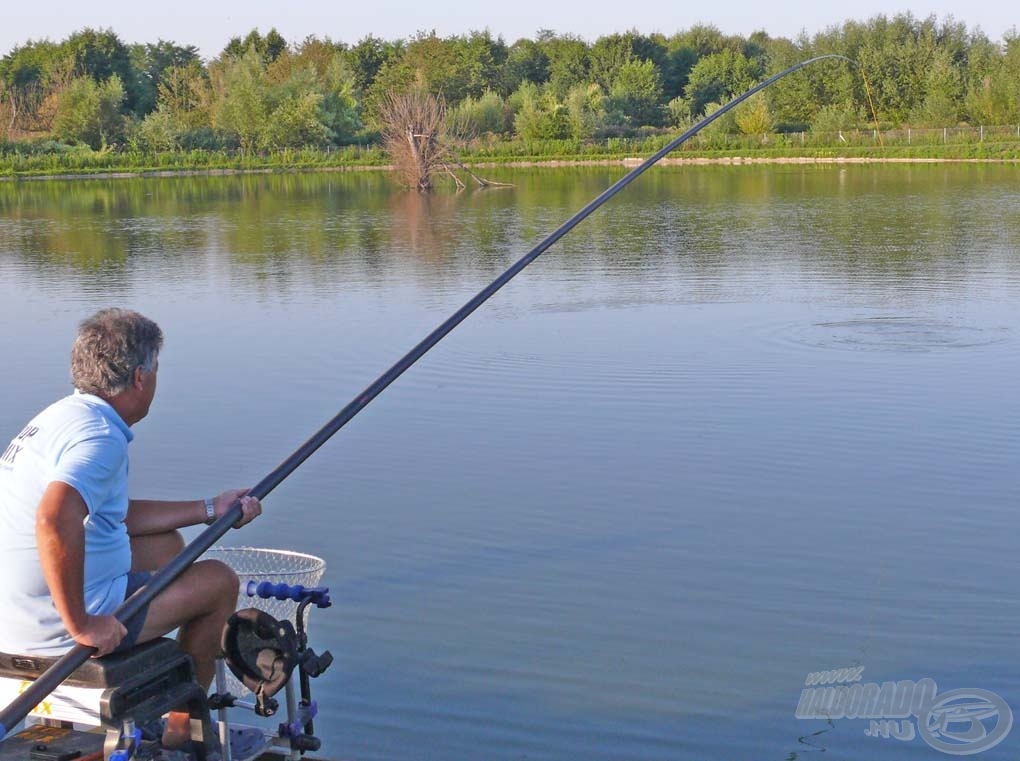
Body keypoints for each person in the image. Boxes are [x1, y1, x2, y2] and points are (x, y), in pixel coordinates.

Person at [0, 308, 262, 701]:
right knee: (218, 581)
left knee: (165, 546)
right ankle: (184, 723)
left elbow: (109, 512)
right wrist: (83, 624)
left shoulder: (62, 417)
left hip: (15, 613)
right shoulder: (99, 438)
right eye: (156, 368)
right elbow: (54, 518)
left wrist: (210, 509)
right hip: (49, 628)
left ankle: (151, 662)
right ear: (140, 378)